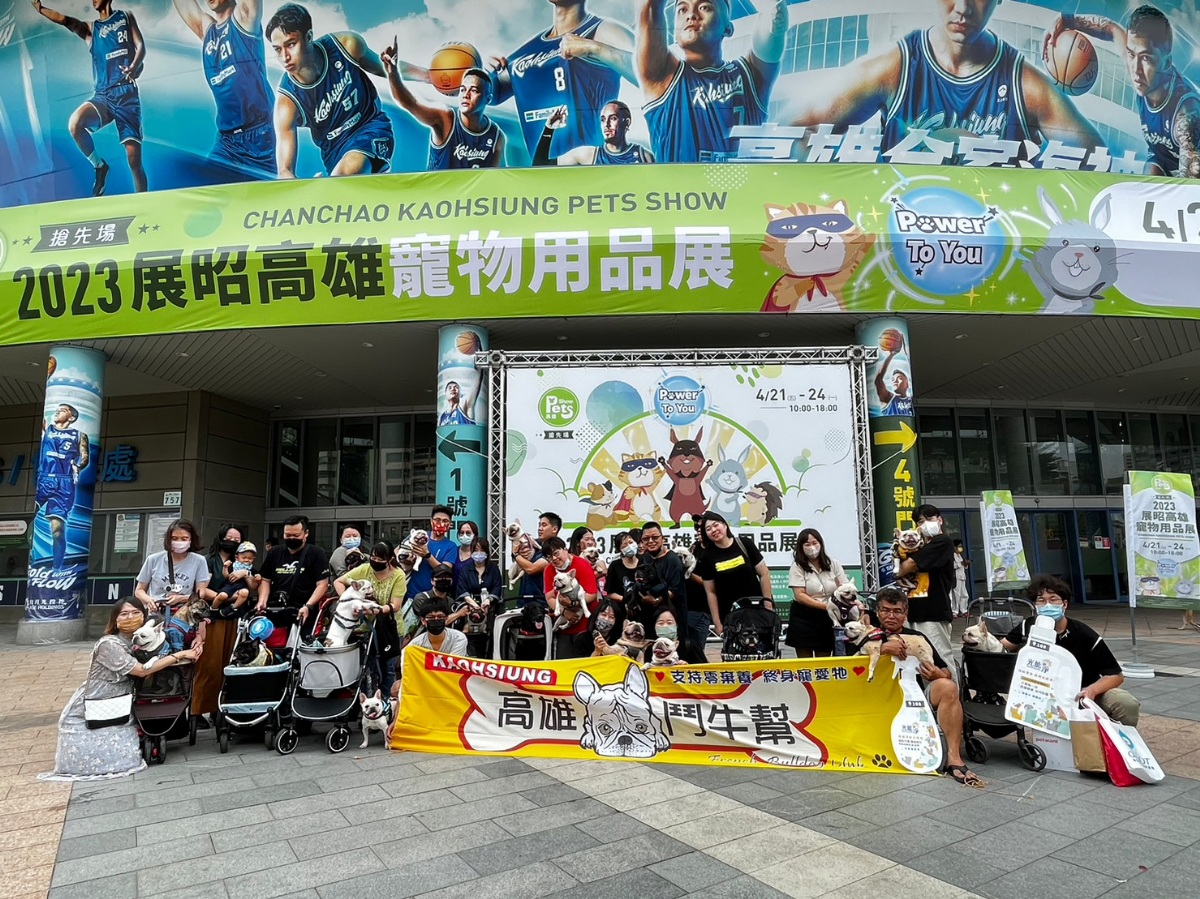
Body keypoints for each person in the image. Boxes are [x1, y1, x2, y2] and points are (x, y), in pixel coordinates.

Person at [787, 0, 1103, 165]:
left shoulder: (1027, 87)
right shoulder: (896, 67)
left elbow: (1098, 160)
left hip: (991, 245)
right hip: (904, 238)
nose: (963, 8)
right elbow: (796, 131)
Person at [41, 598, 199, 781]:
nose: (130, 618)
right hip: (100, 702)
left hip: (125, 701)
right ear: (115, 620)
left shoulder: (146, 639)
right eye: (124, 614)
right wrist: (179, 655)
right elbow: (141, 671)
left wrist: (198, 639)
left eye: (136, 613)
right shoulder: (109, 644)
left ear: (144, 618)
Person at [1046, 6, 1199, 177]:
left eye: (1146, 58)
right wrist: (1066, 19)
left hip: (1189, 166)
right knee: (1148, 177)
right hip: (1161, 156)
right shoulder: (1142, 73)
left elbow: (1190, 185)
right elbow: (1111, 29)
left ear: (1167, 62)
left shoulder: (1186, 116)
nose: (1135, 69)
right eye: (1131, 54)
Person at [636, 0, 787, 163]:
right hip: (682, 181)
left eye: (704, 7)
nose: (691, 15)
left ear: (728, 28)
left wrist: (774, 23)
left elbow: (770, 28)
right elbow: (650, 7)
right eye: (682, 9)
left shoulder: (749, 73)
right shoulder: (662, 75)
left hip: (744, 179)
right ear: (675, 32)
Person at [489, 0, 636, 161]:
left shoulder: (603, 31)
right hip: (543, 170)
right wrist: (483, 71)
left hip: (593, 167)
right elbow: (491, 94)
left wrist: (594, 48)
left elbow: (647, 74)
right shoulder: (525, 53)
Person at [869, 588, 982, 787]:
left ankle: (954, 758)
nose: (891, 616)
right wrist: (882, 649)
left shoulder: (917, 637)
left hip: (914, 699)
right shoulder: (865, 634)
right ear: (877, 612)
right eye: (886, 610)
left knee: (948, 687)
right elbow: (847, 665)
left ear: (906, 614)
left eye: (897, 611)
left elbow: (945, 671)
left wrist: (938, 674)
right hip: (874, 700)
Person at [32, 0, 147, 195]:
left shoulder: (125, 16)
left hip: (126, 95)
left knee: (134, 161)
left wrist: (134, 66)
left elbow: (140, 45)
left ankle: (144, 201)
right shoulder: (91, 29)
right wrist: (41, 9)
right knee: (75, 123)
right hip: (103, 96)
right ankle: (99, 166)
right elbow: (65, 20)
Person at [267, 3, 394, 178]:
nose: (284, 57)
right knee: (341, 178)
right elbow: (284, 171)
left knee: (348, 168)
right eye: (277, 49)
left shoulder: (344, 46)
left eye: (291, 44)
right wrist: (302, 187)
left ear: (308, 37)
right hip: (334, 156)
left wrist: (427, 75)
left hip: (370, 128)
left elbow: (390, 69)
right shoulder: (287, 102)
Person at [1002, 575, 1141, 726]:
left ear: (1064, 604)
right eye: (1041, 600)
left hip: (1082, 692)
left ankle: (1118, 738)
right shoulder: (1027, 627)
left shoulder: (1084, 634)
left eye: (1053, 599)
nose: (1047, 605)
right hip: (1042, 692)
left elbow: (1115, 676)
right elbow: (1002, 648)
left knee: (1125, 702)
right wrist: (984, 639)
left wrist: (1092, 690)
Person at [171, 0, 275, 179]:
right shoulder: (208, 31)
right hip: (227, 142)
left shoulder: (244, 17)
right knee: (206, 190)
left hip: (262, 137)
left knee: (269, 194)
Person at [384, 49, 505, 171]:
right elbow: (411, 103)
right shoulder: (446, 118)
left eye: (473, 90)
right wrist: (392, 73)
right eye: (463, 89)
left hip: (473, 184)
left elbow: (498, 175)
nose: (466, 95)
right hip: (438, 183)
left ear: (488, 99)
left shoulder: (496, 135)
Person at [192, 524, 255, 723]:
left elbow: (254, 585)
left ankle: (221, 708)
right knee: (209, 665)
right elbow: (202, 589)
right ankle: (198, 711)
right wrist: (226, 597)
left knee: (230, 664)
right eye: (229, 538)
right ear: (220, 538)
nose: (233, 542)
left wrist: (247, 575)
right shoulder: (208, 561)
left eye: (237, 540)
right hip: (213, 618)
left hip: (236, 618)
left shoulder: (243, 562)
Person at [336, 540, 406, 695]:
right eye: (373, 557)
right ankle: (364, 699)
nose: (376, 561)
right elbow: (339, 582)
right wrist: (349, 601)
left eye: (380, 559)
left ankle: (387, 699)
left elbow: (395, 605)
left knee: (387, 668)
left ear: (390, 559)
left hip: (389, 628)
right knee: (366, 667)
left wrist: (376, 610)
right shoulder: (364, 569)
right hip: (364, 629)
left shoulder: (398, 575)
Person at [896, 504, 957, 667]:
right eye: (920, 522)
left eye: (929, 519)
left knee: (939, 659)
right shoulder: (919, 545)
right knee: (916, 662)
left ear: (940, 520)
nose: (925, 524)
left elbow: (908, 566)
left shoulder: (942, 541)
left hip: (933, 613)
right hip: (913, 611)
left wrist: (898, 572)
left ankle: (950, 684)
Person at [695, 511, 770, 634]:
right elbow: (711, 592)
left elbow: (764, 574)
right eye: (708, 529)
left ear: (725, 525)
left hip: (757, 609)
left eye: (716, 525)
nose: (713, 530)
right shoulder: (706, 556)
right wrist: (717, 623)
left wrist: (768, 605)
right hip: (730, 615)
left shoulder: (744, 543)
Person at [35, 404, 89, 570]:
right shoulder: (47, 428)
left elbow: (85, 456)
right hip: (44, 478)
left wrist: (78, 466)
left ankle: (56, 568)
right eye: (58, 409)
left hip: (64, 483)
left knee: (57, 531)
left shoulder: (79, 435)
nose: (58, 411)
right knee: (31, 517)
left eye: (63, 410)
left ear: (71, 417)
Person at [255, 514, 330, 635]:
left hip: (303, 613)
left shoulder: (316, 553)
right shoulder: (275, 552)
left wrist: (308, 606)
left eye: (296, 535)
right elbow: (265, 579)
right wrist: (262, 600)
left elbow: (322, 584)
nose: (291, 538)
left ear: (306, 533)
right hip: (276, 611)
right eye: (287, 535)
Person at [785, 528, 850, 658]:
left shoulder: (834, 564)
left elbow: (845, 588)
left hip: (828, 618)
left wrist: (855, 603)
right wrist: (827, 606)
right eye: (807, 544)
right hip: (804, 616)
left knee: (824, 660)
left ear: (821, 543)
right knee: (805, 662)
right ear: (801, 547)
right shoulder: (797, 566)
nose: (812, 547)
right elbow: (800, 595)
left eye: (815, 543)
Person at [533, 101, 654, 165]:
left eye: (613, 118)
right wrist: (549, 129)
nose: (606, 124)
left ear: (626, 122)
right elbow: (539, 166)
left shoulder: (644, 156)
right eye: (603, 120)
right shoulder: (588, 155)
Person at [134, 519, 211, 617]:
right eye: (174, 538)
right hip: (156, 613)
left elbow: (200, 594)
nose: (179, 542)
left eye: (184, 539)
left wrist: (180, 598)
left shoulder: (199, 561)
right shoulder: (153, 559)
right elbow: (139, 590)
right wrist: (150, 600)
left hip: (183, 616)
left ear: (191, 540)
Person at [542, 536, 600, 658]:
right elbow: (550, 597)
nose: (554, 559)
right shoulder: (548, 570)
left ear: (565, 549)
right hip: (564, 627)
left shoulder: (582, 564)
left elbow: (592, 595)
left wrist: (572, 603)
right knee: (563, 661)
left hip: (586, 625)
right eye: (549, 557)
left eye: (556, 553)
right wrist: (564, 612)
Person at [404, 505, 459, 599]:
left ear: (450, 524)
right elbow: (396, 552)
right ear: (431, 521)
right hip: (411, 595)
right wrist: (406, 559)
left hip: (435, 598)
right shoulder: (418, 536)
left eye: (445, 521)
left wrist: (427, 555)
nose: (441, 523)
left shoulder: (451, 546)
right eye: (437, 520)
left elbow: (445, 571)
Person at [639, 521, 684, 607]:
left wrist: (656, 600)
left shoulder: (673, 560)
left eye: (655, 537)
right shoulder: (645, 558)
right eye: (646, 539)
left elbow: (675, 590)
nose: (650, 541)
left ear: (663, 539)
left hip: (672, 610)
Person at [604, 530, 640, 606]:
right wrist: (626, 599)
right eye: (624, 545)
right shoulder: (615, 566)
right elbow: (609, 593)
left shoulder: (644, 561)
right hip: (622, 607)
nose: (629, 546)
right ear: (620, 550)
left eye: (631, 542)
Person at [874, 348, 912, 417]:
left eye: (899, 378)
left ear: (908, 384)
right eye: (893, 379)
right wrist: (891, 355)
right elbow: (878, 380)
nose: (895, 381)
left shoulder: (911, 400)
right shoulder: (889, 398)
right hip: (892, 423)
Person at [951, 539, 970, 618]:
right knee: (956, 595)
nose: (960, 548)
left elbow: (964, 566)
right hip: (956, 577)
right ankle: (955, 611)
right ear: (955, 547)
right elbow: (952, 566)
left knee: (964, 594)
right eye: (959, 546)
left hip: (962, 577)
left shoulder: (960, 555)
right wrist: (960, 563)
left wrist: (965, 564)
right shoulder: (952, 555)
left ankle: (964, 610)